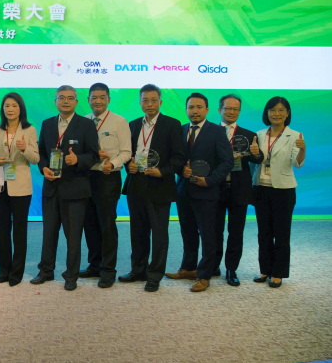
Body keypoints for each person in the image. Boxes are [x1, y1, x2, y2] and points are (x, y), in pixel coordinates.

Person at [31, 85, 99, 291]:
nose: (66, 101)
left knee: (73, 237)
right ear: (56, 101)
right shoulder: (47, 124)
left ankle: (71, 275)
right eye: (62, 98)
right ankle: (46, 270)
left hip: (75, 189)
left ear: (76, 102)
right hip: (51, 187)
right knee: (49, 233)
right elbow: (42, 153)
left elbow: (94, 155)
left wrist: (78, 159)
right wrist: (43, 167)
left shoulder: (86, 124)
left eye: (70, 98)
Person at [120, 84, 185, 292]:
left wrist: (163, 171)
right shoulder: (132, 125)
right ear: (140, 103)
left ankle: (154, 275)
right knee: (137, 231)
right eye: (145, 100)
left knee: (158, 233)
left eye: (153, 100)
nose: (149, 104)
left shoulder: (172, 124)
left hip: (159, 184)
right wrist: (128, 166)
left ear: (160, 102)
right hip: (136, 184)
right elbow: (126, 153)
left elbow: (179, 157)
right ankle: (138, 270)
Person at [165, 93, 233, 292]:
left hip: (207, 191)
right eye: (191, 107)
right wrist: (181, 170)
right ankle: (188, 268)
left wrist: (209, 181)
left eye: (199, 107)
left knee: (208, 235)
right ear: (186, 109)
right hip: (183, 190)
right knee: (187, 233)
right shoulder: (180, 129)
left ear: (207, 109)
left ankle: (204, 275)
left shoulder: (217, 131)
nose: (194, 111)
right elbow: (175, 158)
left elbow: (227, 161)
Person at [79, 83, 132, 288]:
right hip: (85, 178)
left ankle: (108, 270)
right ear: (88, 100)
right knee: (89, 223)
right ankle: (94, 265)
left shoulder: (119, 121)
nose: (98, 101)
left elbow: (126, 152)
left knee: (107, 224)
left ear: (109, 99)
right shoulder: (82, 121)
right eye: (94, 97)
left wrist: (113, 163)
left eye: (102, 97)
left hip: (107, 177)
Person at [252, 97, 305, 288]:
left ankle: (278, 273)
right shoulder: (259, 134)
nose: (277, 114)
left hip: (283, 190)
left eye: (281, 110)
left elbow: (297, 163)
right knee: (263, 232)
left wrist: (302, 150)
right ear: (267, 113)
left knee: (281, 233)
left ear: (287, 113)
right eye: (272, 110)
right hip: (261, 188)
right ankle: (265, 270)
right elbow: (255, 161)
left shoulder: (295, 135)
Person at [0, 92, 39, 286]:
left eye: (14, 106)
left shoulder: (30, 130)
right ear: (3, 109)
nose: (10, 109)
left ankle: (16, 273)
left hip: (21, 186)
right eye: (7, 106)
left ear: (21, 108)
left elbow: (35, 159)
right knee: (2, 229)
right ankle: (4, 271)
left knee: (19, 230)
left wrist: (25, 148)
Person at [213, 94, 263, 286]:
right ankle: (213, 265)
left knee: (236, 232)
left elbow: (257, 159)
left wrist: (257, 154)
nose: (231, 112)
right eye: (228, 108)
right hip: (215, 189)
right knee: (214, 231)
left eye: (235, 109)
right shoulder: (210, 132)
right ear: (220, 110)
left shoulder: (249, 135)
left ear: (239, 111)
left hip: (239, 190)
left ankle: (231, 269)